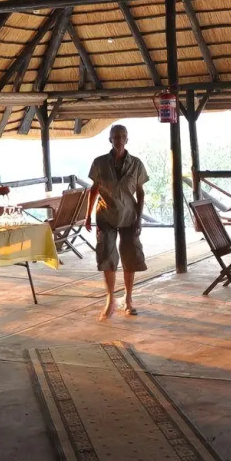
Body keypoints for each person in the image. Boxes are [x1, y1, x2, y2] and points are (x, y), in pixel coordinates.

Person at [85, 124, 149, 320]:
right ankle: (110, 299)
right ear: (110, 140)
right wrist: (88, 216)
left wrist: (139, 218)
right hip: (106, 216)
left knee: (131, 257)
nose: (119, 140)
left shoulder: (136, 164)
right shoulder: (99, 163)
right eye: (116, 137)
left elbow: (140, 192)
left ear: (127, 139)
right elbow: (94, 190)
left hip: (129, 216)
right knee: (107, 257)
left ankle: (128, 299)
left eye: (122, 136)